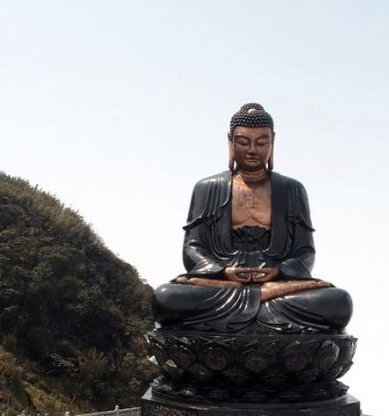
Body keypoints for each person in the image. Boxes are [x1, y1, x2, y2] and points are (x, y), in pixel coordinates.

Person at [151, 102, 353, 334]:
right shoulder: (207, 188)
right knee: (165, 298)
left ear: (273, 142)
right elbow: (193, 248)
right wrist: (224, 271)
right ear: (230, 141)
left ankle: (260, 299)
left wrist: (278, 272)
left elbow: (305, 251)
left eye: (261, 142)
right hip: (222, 284)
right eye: (244, 142)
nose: (252, 150)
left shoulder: (292, 190)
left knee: (338, 303)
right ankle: (262, 299)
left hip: (277, 285)